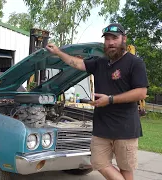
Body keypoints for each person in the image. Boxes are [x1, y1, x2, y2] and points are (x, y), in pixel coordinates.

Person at [46, 23, 148, 180]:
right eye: (107, 39)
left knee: (126, 169)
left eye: (115, 38)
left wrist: (110, 100)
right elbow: (77, 63)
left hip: (125, 128)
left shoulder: (135, 63)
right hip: (102, 128)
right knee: (98, 162)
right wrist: (58, 52)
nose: (111, 42)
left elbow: (141, 92)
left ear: (124, 39)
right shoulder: (100, 63)